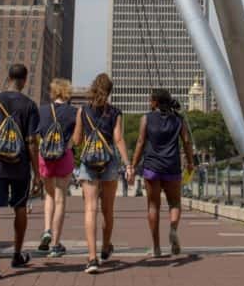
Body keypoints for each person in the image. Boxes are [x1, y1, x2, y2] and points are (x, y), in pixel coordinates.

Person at [0, 64, 41, 280]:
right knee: (20, 208)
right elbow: (32, 142)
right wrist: (37, 173)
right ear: (24, 80)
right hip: (20, 166)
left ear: (8, 77)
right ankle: (16, 254)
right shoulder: (30, 105)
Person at [129, 89, 195, 257]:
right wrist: (190, 163)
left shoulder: (146, 118)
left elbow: (140, 142)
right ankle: (173, 229)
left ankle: (157, 248)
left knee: (153, 206)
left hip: (152, 167)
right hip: (172, 166)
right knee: (174, 203)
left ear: (155, 102)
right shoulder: (179, 120)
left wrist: (132, 165)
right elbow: (187, 141)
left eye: (150, 100)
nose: (149, 102)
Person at [78, 73, 130, 274]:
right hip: (109, 162)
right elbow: (118, 139)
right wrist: (128, 164)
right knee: (108, 209)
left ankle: (92, 258)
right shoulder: (115, 112)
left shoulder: (83, 111)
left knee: (90, 209)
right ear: (109, 92)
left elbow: (76, 140)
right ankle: (106, 246)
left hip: (88, 163)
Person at [36, 78, 82, 258]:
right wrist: (68, 143)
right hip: (64, 156)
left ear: (53, 92)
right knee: (61, 198)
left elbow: (38, 133)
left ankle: (47, 229)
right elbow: (77, 138)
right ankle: (55, 244)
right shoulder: (74, 112)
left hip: (45, 156)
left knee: (48, 195)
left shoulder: (42, 110)